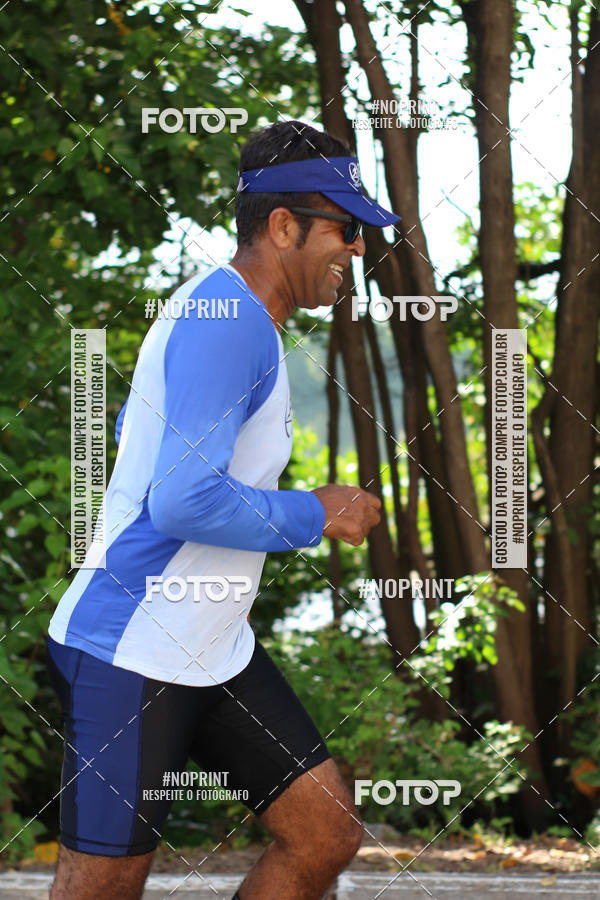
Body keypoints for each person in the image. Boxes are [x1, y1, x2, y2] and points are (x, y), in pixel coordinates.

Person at [46, 119, 399, 900]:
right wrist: (314, 513)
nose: (356, 249)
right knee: (102, 889)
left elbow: (142, 437)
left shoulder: (234, 317)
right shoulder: (230, 320)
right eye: (345, 229)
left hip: (213, 650)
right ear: (284, 227)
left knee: (324, 834)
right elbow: (182, 500)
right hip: (133, 652)